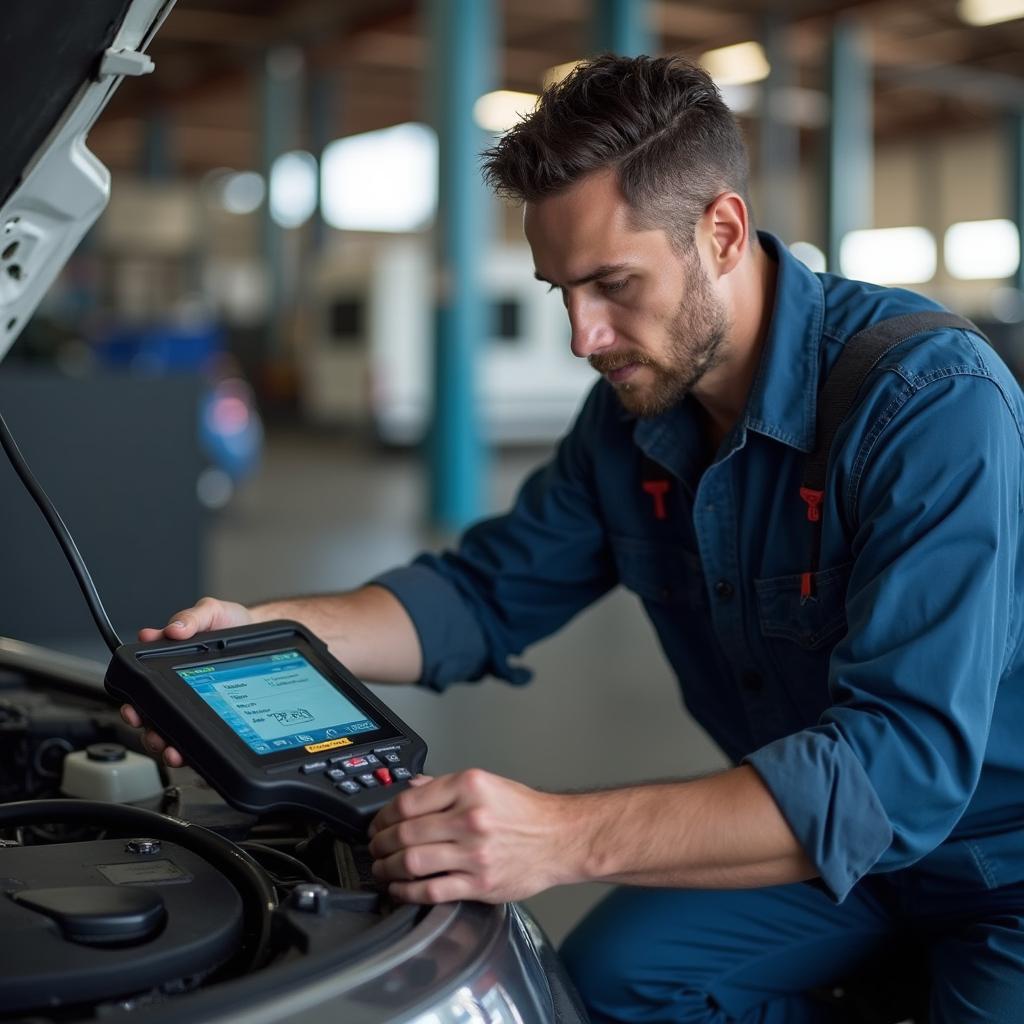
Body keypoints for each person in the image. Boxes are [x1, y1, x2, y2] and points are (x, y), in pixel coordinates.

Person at [123, 55, 1024, 1023]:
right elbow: (477, 595)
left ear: (720, 230)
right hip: (823, 859)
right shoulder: (634, 422)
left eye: (610, 284)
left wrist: (558, 835)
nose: (581, 336)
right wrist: (257, 632)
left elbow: (896, 775)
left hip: (999, 859)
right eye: (560, 290)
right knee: (606, 988)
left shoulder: (928, 404)